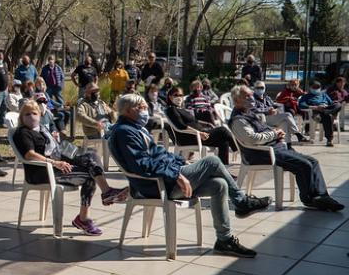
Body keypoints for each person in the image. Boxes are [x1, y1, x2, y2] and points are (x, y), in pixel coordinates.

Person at [109, 93, 270, 257]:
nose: (145, 111)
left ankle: (224, 240)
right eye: (141, 107)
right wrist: (177, 175)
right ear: (128, 111)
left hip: (165, 180)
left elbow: (160, 154)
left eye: (145, 107)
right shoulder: (125, 132)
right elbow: (142, 165)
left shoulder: (135, 129)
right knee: (212, 161)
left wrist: (180, 163)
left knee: (219, 185)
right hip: (158, 186)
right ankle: (241, 202)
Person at [13, 101, 127, 235]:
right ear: (21, 117)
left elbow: (54, 148)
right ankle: (88, 213)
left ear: (40, 115)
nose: (32, 116)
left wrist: (55, 140)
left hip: (57, 165)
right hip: (43, 172)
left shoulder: (42, 129)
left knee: (92, 155)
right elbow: (29, 154)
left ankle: (102, 197)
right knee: (89, 175)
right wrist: (54, 163)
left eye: (34, 113)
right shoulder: (23, 132)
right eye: (27, 114)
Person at [230, 85, 343, 211]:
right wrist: (274, 134)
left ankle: (321, 196)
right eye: (247, 96)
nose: (252, 98)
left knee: (313, 161)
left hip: (274, 148)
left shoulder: (249, 113)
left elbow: (261, 129)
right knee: (304, 164)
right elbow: (253, 138)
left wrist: (276, 133)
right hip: (263, 153)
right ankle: (309, 199)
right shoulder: (238, 119)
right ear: (237, 101)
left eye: (251, 95)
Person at [166, 86, 236, 165]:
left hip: (198, 134)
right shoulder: (172, 110)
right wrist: (199, 133)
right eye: (176, 95)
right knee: (223, 130)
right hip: (191, 137)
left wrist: (206, 123)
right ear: (170, 97)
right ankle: (237, 149)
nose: (179, 97)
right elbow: (181, 126)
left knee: (224, 141)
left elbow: (193, 121)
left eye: (181, 95)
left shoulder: (180, 108)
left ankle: (223, 169)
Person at [251, 80, 308, 146]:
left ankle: (287, 144)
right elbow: (253, 109)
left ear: (264, 88)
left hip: (272, 117)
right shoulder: (252, 99)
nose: (260, 89)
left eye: (262, 88)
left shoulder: (266, 98)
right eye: (258, 88)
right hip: (262, 118)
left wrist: (275, 109)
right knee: (287, 115)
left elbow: (275, 105)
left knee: (284, 123)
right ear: (254, 88)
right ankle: (298, 134)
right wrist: (268, 111)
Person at [298, 81, 341, 146]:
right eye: (314, 87)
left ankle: (326, 111)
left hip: (326, 109)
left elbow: (331, 103)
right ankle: (329, 140)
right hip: (317, 113)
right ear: (310, 88)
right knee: (328, 116)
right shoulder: (306, 96)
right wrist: (315, 107)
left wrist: (325, 107)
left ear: (320, 88)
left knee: (338, 104)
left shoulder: (324, 95)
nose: (316, 89)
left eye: (317, 87)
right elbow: (301, 105)